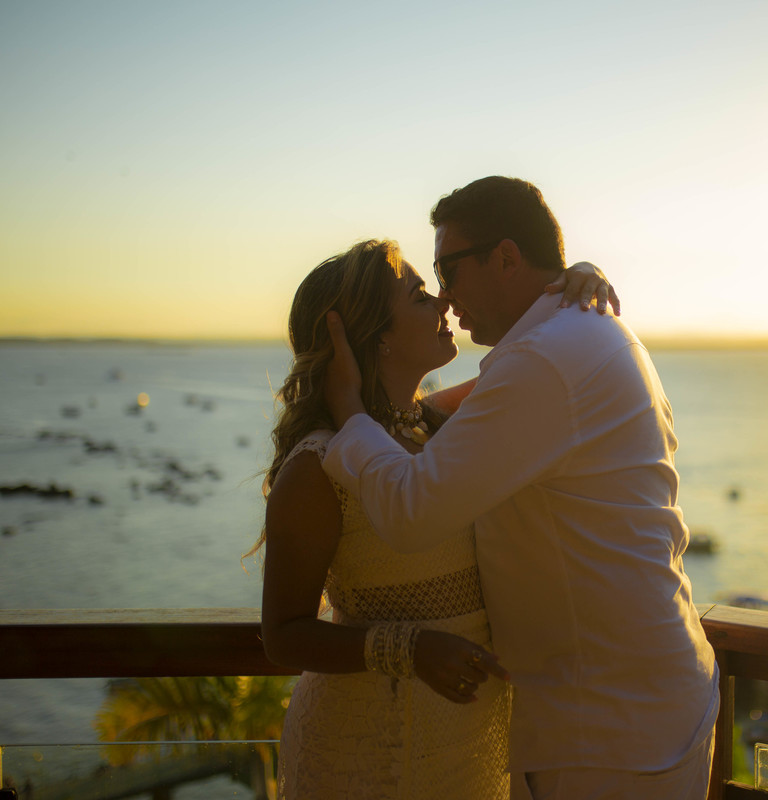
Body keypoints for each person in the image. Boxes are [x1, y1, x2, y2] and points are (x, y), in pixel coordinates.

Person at [322, 176, 719, 800]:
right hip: (638, 707)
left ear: (506, 257)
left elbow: (409, 511)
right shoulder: (582, 334)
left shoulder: (544, 357)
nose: (446, 299)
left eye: (446, 271)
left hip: (611, 734)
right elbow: (448, 421)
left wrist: (348, 415)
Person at [251, 238, 614, 799]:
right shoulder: (319, 466)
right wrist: (409, 648)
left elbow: (535, 379)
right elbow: (282, 635)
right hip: (366, 746)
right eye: (420, 295)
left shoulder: (443, 429)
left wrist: (573, 281)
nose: (444, 303)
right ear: (376, 336)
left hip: (472, 739)